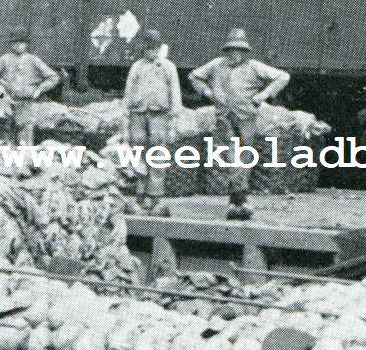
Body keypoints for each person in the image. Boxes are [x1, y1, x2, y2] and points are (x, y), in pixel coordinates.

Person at [189, 29, 289, 221]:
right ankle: (239, 199)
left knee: (245, 156)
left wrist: (263, 95)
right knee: (231, 157)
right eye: (232, 51)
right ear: (227, 51)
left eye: (240, 51)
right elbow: (194, 76)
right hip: (224, 118)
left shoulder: (254, 67)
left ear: (245, 52)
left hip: (246, 118)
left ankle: (237, 201)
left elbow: (283, 77)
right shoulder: (217, 65)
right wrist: (208, 93)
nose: (236, 55)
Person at [123, 29, 183, 213]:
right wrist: (125, 116)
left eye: (154, 48)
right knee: (137, 150)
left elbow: (175, 92)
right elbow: (128, 92)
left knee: (157, 152)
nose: (151, 52)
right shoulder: (137, 67)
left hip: (160, 114)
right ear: (143, 50)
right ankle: (140, 194)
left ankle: (154, 195)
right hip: (138, 113)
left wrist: (174, 118)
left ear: (159, 49)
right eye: (147, 49)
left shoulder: (168, 67)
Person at [0, 33, 62, 143]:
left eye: (22, 43)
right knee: (4, 134)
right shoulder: (4, 59)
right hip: (6, 99)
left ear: (26, 44)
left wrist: (39, 90)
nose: (19, 46)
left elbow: (53, 77)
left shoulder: (33, 60)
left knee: (25, 137)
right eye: (15, 43)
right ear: (11, 45)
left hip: (26, 103)